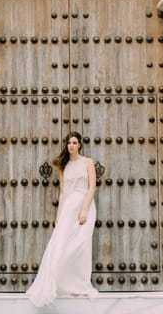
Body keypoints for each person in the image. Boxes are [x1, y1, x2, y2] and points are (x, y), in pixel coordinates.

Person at [25, 132, 99, 307]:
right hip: (68, 208)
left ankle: (77, 282)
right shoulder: (63, 167)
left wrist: (84, 210)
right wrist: (59, 215)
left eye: (74, 142)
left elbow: (92, 187)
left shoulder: (87, 162)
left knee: (80, 244)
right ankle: (57, 282)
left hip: (84, 206)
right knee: (59, 244)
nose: (71, 145)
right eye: (69, 143)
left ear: (80, 145)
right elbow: (63, 191)